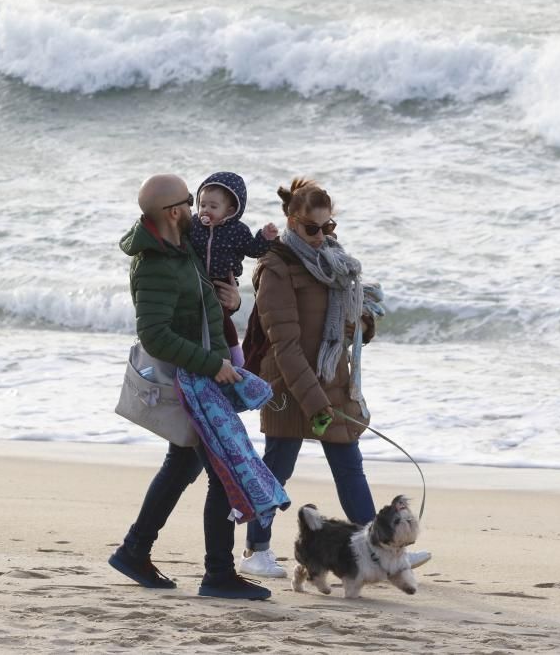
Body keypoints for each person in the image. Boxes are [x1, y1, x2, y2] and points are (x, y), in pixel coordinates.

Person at [238, 178, 431, 578]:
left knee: (348, 464)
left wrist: (362, 325)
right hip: (289, 385)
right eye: (313, 228)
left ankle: (381, 554)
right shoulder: (276, 267)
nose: (322, 236)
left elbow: (344, 325)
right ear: (291, 221)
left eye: (329, 228)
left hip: (331, 377)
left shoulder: (334, 263)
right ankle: (256, 550)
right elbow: (286, 346)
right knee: (276, 467)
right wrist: (314, 401)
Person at [108, 173, 271, 600]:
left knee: (184, 464)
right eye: (189, 201)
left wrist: (232, 304)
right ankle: (218, 574)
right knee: (220, 472)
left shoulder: (182, 248)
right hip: (190, 379)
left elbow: (200, 303)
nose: (197, 209)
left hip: (200, 375)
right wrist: (212, 365)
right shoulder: (157, 263)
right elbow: (155, 335)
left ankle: (134, 550)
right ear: (174, 211)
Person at [189, 172, 278, 367]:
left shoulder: (237, 230)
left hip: (223, 282)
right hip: (199, 280)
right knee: (199, 318)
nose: (205, 211)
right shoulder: (194, 225)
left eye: (213, 207)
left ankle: (236, 356)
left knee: (220, 318)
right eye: (202, 205)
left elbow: (253, 250)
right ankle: (206, 355)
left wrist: (265, 237)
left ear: (229, 210)